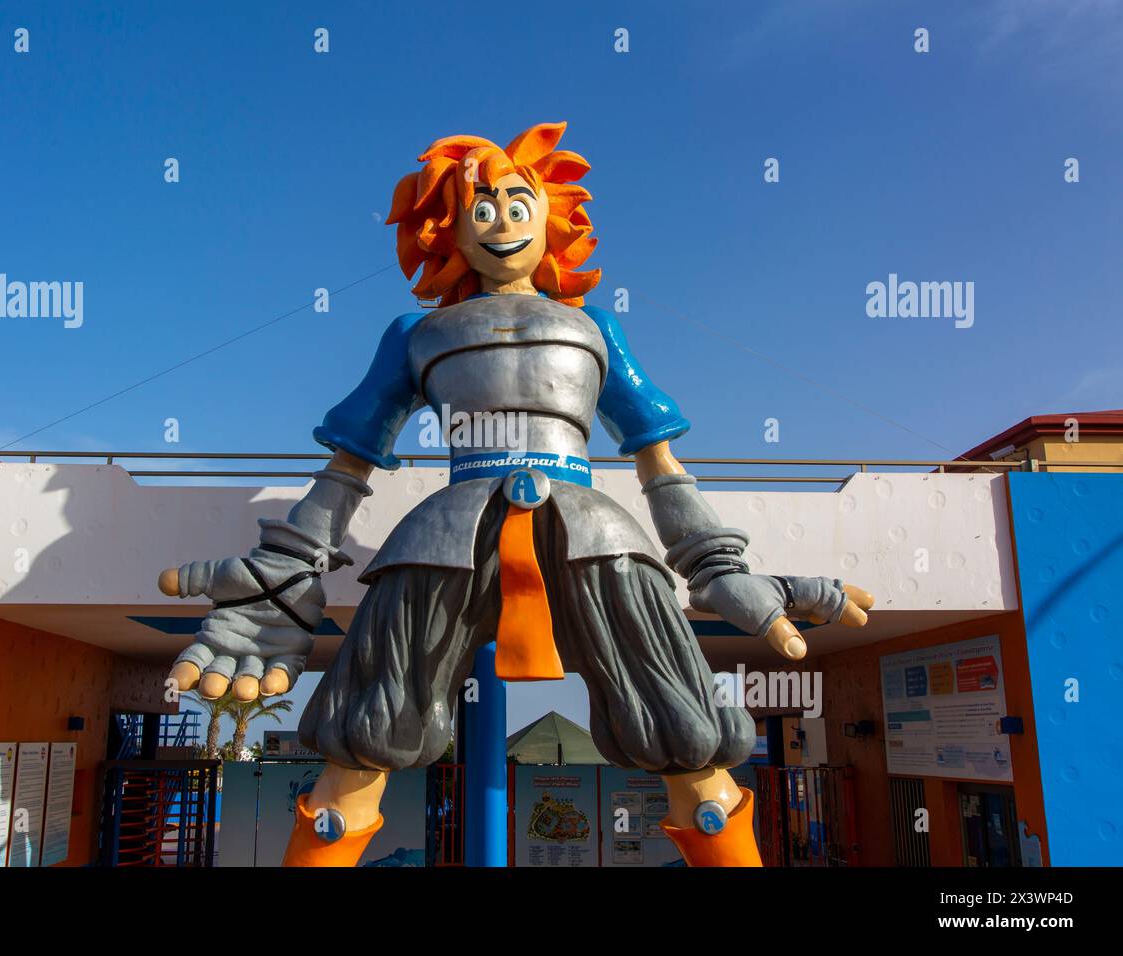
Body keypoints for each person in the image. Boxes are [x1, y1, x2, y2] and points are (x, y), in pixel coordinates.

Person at [159, 122, 873, 867]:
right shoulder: (415, 332)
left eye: (517, 204)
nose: (502, 223)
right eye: (482, 209)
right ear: (450, 229)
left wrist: (716, 565)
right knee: (365, 733)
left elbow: (658, 460)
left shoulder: (595, 326)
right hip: (443, 540)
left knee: (686, 732)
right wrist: (290, 574)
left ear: (553, 218)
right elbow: (352, 461)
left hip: (598, 535)